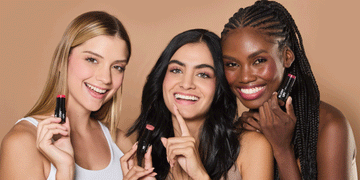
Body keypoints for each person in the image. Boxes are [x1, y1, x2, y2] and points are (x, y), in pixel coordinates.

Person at [220, 0, 358, 179]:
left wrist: (282, 149)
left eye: (259, 61)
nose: (245, 77)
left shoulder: (329, 125)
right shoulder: (244, 130)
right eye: (232, 64)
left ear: (287, 56)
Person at [122, 29, 274, 180]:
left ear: (219, 86)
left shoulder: (252, 148)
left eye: (203, 74)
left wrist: (199, 175)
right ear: (161, 78)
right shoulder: (146, 159)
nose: (186, 84)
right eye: (176, 70)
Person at [0, 11, 134, 179]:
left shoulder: (121, 142)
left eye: (117, 67)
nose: (106, 78)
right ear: (62, 60)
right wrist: (65, 170)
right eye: (92, 59)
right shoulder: (22, 143)